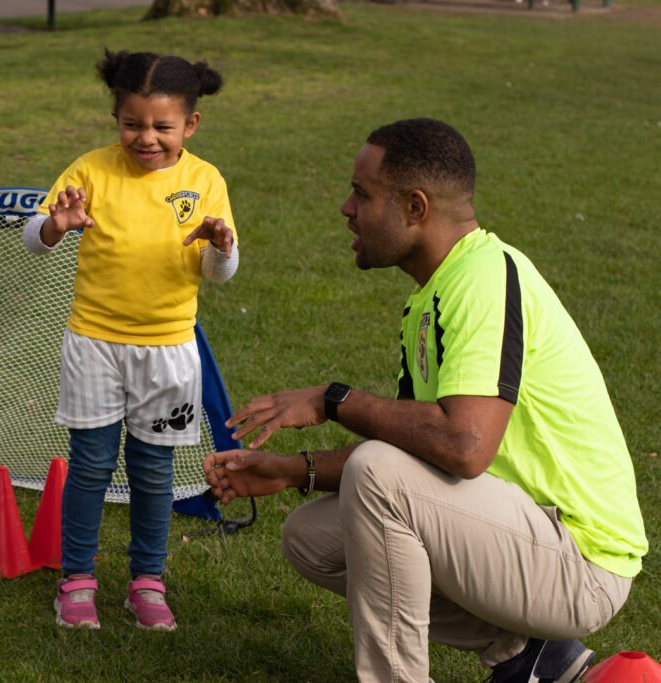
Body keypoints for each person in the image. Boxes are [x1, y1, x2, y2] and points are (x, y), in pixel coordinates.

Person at [203, 118, 646, 682]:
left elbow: (463, 447)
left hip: (580, 562)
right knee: (311, 538)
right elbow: (413, 455)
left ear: (415, 207)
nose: (345, 208)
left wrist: (332, 399)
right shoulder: (432, 296)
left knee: (377, 473)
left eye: (362, 194)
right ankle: (529, 656)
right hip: (526, 535)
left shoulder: (484, 276)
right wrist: (293, 471)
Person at [22, 49, 239, 632]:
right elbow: (33, 239)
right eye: (132, 124)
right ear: (116, 117)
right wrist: (55, 224)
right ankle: (77, 581)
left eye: (162, 127)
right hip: (93, 343)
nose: (146, 139)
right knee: (90, 466)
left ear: (190, 125)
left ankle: (147, 580)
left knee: (153, 470)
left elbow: (220, 275)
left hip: (169, 352)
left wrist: (221, 247)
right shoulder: (90, 170)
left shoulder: (205, 181)